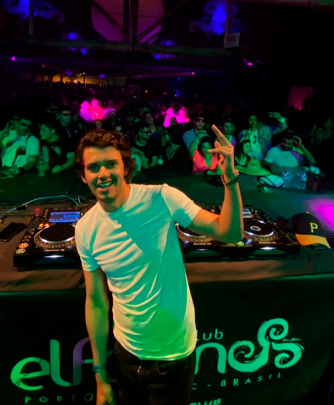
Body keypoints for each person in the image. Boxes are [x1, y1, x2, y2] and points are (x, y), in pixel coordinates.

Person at [76, 126, 243, 405]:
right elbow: (95, 302)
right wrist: (100, 377)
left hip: (172, 358)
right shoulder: (86, 229)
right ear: (83, 176)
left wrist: (231, 179)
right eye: (93, 167)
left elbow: (230, 232)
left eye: (111, 164)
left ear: (126, 167)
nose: (103, 173)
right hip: (126, 354)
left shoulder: (162, 197)